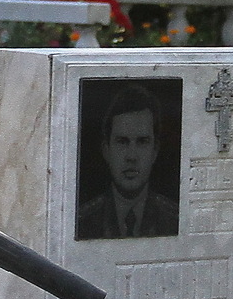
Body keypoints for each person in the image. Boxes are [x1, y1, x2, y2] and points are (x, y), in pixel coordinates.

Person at [75, 83, 179, 240]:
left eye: (142, 141)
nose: (131, 156)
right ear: (106, 150)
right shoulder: (82, 222)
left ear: (155, 151)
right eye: (122, 142)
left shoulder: (175, 219)